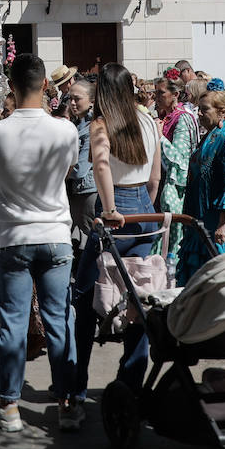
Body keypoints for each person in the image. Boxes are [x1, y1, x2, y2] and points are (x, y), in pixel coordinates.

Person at [0, 54, 80, 433]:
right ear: (46, 87)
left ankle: (9, 406)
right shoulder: (65, 130)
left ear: (11, 87)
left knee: (13, 323)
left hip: (13, 237)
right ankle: (67, 404)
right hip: (54, 236)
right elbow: (68, 171)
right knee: (59, 321)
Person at [68, 62, 162, 418]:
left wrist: (109, 208)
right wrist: (147, 207)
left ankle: (77, 388)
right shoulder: (149, 121)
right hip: (142, 206)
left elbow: (102, 165)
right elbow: (155, 176)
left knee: (85, 297)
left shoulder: (101, 124)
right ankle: (130, 381)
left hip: (116, 205)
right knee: (140, 295)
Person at [176, 91, 225, 285]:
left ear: (222, 112)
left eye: (204, 109)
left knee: (216, 276)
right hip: (201, 218)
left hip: (217, 223)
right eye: (199, 109)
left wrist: (224, 223)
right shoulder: (210, 136)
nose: (199, 114)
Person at [153, 76, 197, 260]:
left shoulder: (182, 119)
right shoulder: (164, 117)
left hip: (175, 188)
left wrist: (159, 136)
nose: (156, 97)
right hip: (160, 182)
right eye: (155, 93)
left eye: (161, 93)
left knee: (172, 242)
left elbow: (180, 159)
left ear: (175, 95)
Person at [63, 76, 99, 246]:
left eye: (77, 99)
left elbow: (80, 168)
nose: (72, 103)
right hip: (79, 191)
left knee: (94, 238)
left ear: (91, 101)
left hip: (88, 192)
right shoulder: (78, 124)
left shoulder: (92, 126)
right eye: (70, 98)